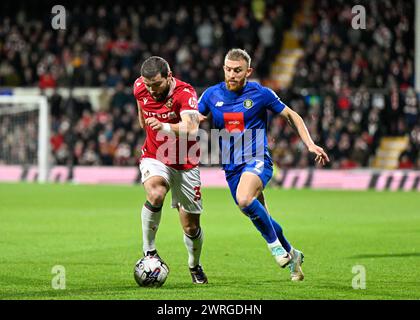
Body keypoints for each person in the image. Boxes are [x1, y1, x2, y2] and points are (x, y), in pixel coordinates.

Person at [198, 48, 329, 281]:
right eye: (228, 69)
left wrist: (309, 144)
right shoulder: (210, 95)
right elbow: (193, 120)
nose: (231, 75)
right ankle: (293, 254)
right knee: (260, 216)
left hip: (258, 159)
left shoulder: (260, 93)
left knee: (245, 199)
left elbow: (292, 115)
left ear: (248, 71)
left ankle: (275, 248)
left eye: (237, 71)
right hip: (231, 167)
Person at [133, 56, 207, 284]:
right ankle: (149, 252)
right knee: (155, 194)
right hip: (155, 156)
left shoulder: (185, 93)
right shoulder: (139, 88)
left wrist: (164, 125)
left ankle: (194, 265)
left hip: (185, 163)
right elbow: (142, 119)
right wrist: (151, 125)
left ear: (169, 76)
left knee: (191, 226)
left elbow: (192, 129)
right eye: (148, 85)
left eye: (157, 84)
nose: (152, 90)